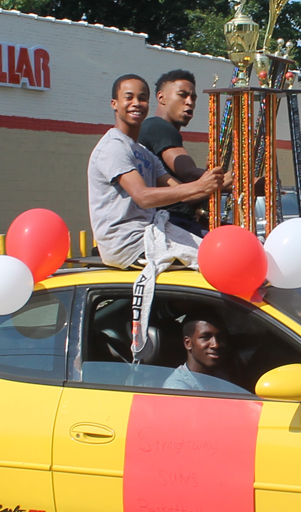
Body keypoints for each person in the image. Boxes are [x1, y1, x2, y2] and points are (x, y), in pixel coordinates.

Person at [87, 73, 224, 269]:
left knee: (217, 252)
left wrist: (222, 181)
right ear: (114, 104)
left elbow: (181, 192)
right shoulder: (113, 147)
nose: (136, 103)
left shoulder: (144, 153)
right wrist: (199, 185)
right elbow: (143, 196)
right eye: (129, 97)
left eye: (142, 98)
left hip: (151, 236)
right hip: (128, 245)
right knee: (215, 263)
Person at [138, 69, 230, 236]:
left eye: (193, 97)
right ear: (161, 97)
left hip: (172, 222)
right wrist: (239, 179)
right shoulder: (158, 127)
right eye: (182, 95)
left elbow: (185, 191)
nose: (189, 102)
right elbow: (189, 175)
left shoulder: (155, 130)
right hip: (170, 225)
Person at [162, 312, 235, 391]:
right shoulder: (177, 388)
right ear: (188, 343)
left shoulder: (221, 377)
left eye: (220, 337)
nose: (215, 344)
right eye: (205, 337)